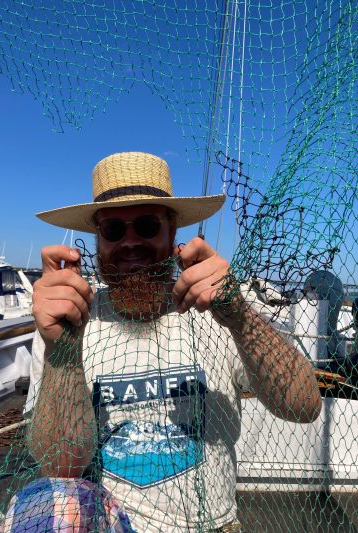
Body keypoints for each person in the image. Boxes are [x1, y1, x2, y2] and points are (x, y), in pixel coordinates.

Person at [26, 152, 322, 532]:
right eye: (113, 229)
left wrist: (240, 316)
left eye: (147, 225)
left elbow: (303, 407)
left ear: (173, 232)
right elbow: (59, 466)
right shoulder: (68, 322)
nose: (130, 242)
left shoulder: (217, 306)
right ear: (97, 239)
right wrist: (64, 352)